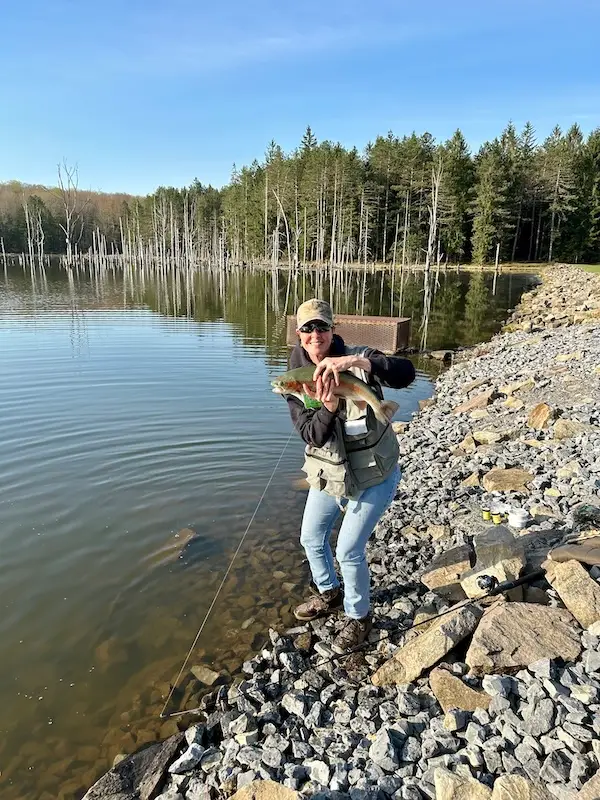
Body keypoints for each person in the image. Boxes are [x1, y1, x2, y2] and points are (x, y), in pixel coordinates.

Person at [285, 298, 415, 654]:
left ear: (332, 329)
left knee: (348, 550)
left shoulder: (359, 356)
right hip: (330, 473)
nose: (315, 335)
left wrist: (359, 362)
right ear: (298, 334)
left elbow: (406, 373)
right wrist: (327, 407)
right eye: (308, 329)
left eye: (321, 327)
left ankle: (359, 617)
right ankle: (328, 592)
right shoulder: (296, 376)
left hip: (374, 473)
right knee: (311, 537)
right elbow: (311, 435)